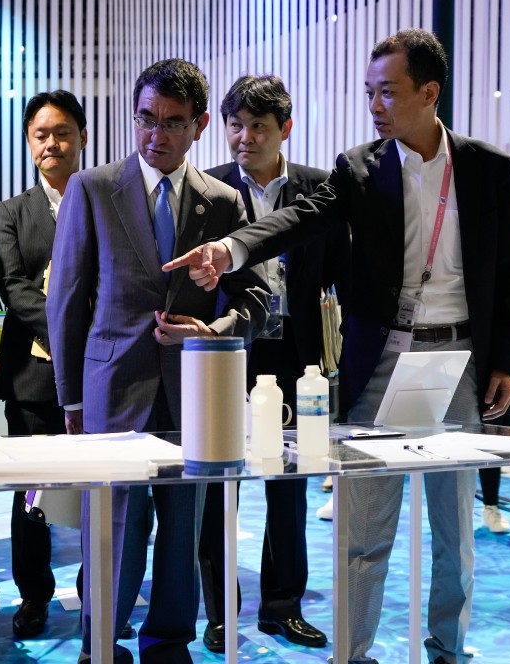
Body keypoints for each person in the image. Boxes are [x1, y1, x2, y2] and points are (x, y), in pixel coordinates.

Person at [165, 29, 510, 664]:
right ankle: (353, 655)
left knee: (455, 530)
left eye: (387, 92)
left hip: (461, 360)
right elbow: (302, 217)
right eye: (369, 92)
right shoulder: (360, 167)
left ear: (429, 92)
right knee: (363, 530)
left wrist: (504, 361)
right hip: (380, 361)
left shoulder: (486, 168)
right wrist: (232, 249)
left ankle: (450, 650)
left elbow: (509, 276)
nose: (374, 105)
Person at [46, 58, 269, 663]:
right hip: (111, 387)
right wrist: (70, 398)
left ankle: (169, 643)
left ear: (198, 126)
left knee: (182, 531)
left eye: (172, 122)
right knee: (114, 527)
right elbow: (66, 299)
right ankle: (101, 640)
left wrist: (213, 331)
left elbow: (257, 296)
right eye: (146, 119)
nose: (156, 134)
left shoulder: (224, 202)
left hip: (195, 393)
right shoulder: (92, 189)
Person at [197, 74, 349, 653]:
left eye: (258, 126)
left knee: (291, 486)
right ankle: (219, 610)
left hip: (298, 356)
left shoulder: (321, 188)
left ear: (285, 129)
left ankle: (282, 605)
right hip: (226, 353)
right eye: (236, 125)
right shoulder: (208, 189)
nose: (244, 137)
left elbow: (340, 274)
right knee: (217, 485)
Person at [0, 90, 88, 640]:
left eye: (63, 132)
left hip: (100, 375)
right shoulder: (11, 213)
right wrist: (70, 337)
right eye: (41, 135)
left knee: (100, 489)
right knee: (31, 496)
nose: (53, 143)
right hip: (33, 377)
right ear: (30, 145)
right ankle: (33, 596)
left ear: (82, 138)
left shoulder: (106, 198)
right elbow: (15, 289)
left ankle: (98, 586)